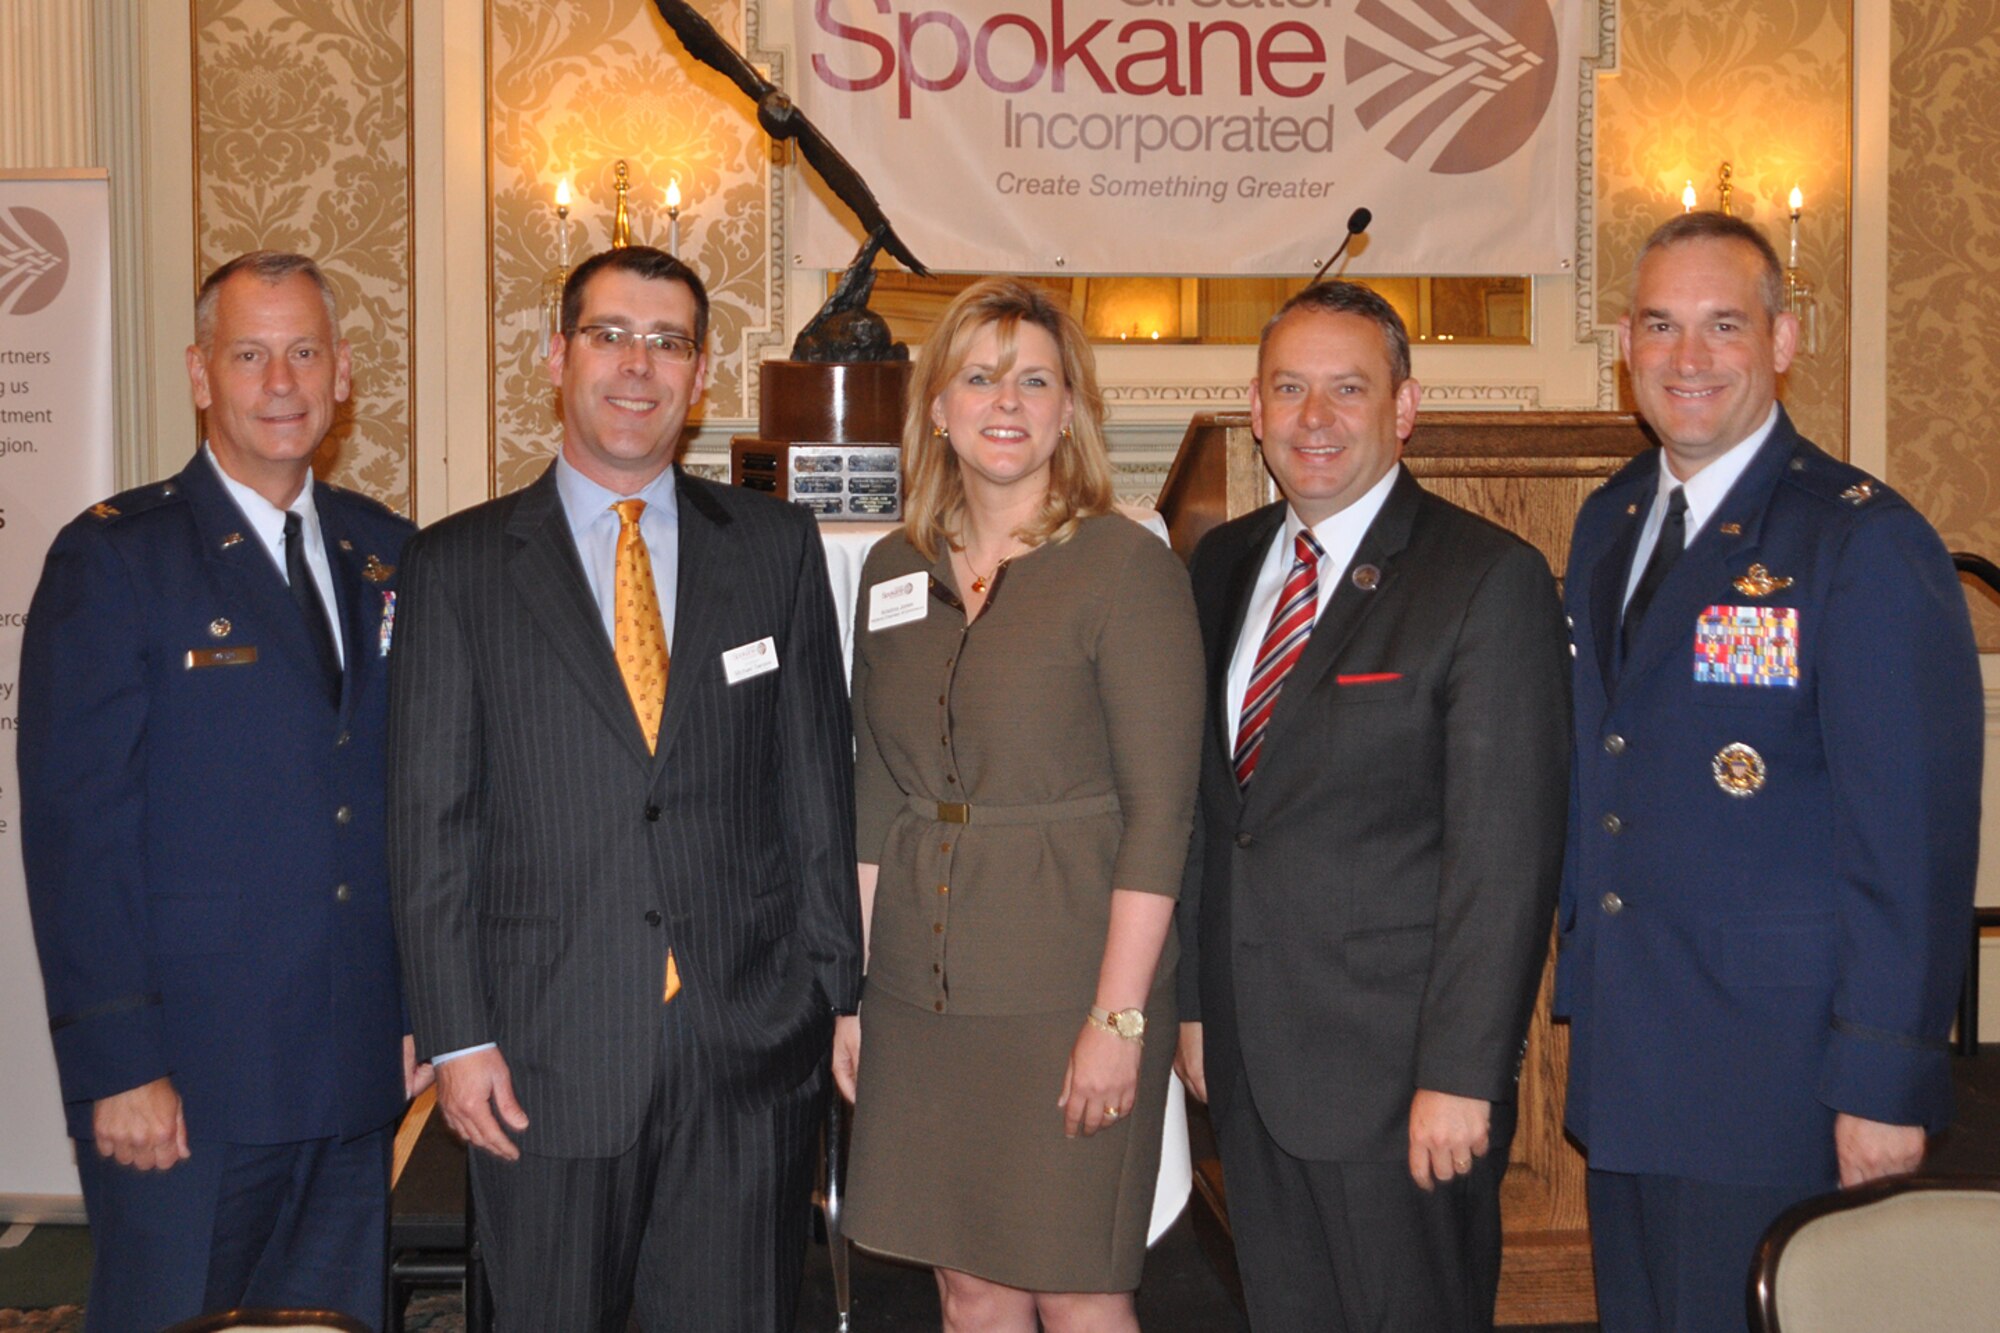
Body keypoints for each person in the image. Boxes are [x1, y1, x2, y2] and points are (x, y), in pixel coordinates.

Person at [388, 245, 861, 1329]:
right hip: (541, 1058)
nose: (636, 367)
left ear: (700, 377)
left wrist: (832, 996)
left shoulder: (776, 548)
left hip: (743, 1054)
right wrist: (455, 1038)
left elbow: (812, 792)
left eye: (668, 342)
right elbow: (430, 828)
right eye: (609, 335)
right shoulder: (456, 569)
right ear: (557, 357)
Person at [1557, 211, 1983, 1332]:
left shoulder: (1857, 541)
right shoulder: (1607, 523)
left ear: (1782, 341)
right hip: (1632, 1052)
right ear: (1625, 347)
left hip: (1774, 1074)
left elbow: (1910, 840)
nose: (1685, 358)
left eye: (1721, 325)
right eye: (1657, 325)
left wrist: (1882, 1078)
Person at [17, 250, 422, 1331]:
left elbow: (405, 805)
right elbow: (75, 835)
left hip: (347, 1063)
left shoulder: (388, 555)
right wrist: (119, 1063)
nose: (280, 381)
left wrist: (413, 1008)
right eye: (250, 355)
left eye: (303, 353)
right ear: (201, 374)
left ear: (342, 375)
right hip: (188, 1078)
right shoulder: (116, 560)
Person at [1173, 281, 1570, 1331]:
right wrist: (1195, 1008)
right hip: (1253, 1066)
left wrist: (1458, 1075)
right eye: (1288, 388)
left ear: (1402, 407)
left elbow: (1504, 858)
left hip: (1398, 1083)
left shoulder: (1486, 579)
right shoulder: (1216, 565)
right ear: (1251, 411)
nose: (1314, 418)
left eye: (1347, 389)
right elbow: (1214, 818)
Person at [833, 279, 1204, 1330]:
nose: (1007, 399)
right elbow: (874, 789)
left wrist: (1117, 1020)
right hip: (919, 986)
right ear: (937, 405)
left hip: (1069, 988)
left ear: (1068, 411)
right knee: (968, 1287)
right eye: (980, 374)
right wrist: (860, 991)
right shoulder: (890, 570)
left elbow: (1159, 814)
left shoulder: (1124, 566)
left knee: (1079, 1289)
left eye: (1035, 378)